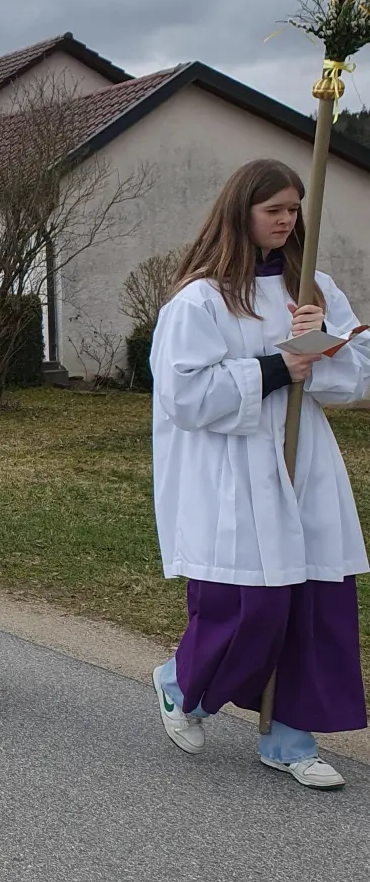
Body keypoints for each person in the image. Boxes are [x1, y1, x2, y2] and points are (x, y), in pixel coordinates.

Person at [148, 158, 368, 790]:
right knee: (253, 605)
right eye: (273, 208)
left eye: (294, 209)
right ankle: (181, 681)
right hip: (236, 468)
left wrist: (323, 338)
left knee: (316, 603)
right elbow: (184, 396)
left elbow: (354, 378)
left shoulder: (313, 287)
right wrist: (278, 367)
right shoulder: (203, 298)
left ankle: (290, 737)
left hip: (306, 463)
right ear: (241, 212)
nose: (286, 220)